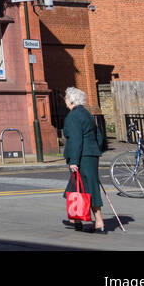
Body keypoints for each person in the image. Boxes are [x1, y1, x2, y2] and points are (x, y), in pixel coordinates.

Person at [62, 86, 106, 234]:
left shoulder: (73, 116)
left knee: (86, 188)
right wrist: (95, 150)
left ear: (71, 100)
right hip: (91, 154)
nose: (65, 100)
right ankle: (77, 219)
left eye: (66, 97)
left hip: (82, 156)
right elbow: (98, 136)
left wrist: (74, 160)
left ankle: (98, 221)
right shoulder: (87, 114)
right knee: (79, 186)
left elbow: (75, 140)